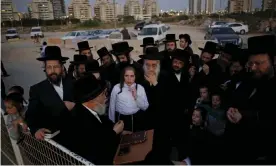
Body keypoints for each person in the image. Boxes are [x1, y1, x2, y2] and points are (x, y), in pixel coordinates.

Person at [225, 35, 276, 164]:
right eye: (250, 63)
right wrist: (230, 109)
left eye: (258, 63)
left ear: (273, 61)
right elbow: (233, 99)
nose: (253, 68)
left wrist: (244, 116)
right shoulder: (251, 79)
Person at [59, 75, 124, 165]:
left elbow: (105, 128)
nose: (106, 97)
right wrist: (114, 132)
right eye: (103, 94)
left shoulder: (94, 110)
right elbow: (96, 148)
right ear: (91, 100)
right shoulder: (78, 120)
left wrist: (121, 133)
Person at [25, 46, 75, 140]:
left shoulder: (73, 84)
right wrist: (35, 129)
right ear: (45, 69)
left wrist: (75, 106)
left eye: (56, 67)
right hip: (55, 143)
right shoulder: (37, 90)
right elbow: (31, 115)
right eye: (49, 67)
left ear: (62, 67)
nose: (52, 71)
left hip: (76, 137)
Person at [109, 66, 149, 132]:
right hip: (121, 120)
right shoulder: (117, 88)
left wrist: (136, 96)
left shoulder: (140, 88)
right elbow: (112, 106)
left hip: (137, 119)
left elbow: (145, 107)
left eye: (132, 76)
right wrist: (112, 122)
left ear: (135, 77)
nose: (129, 79)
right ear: (123, 76)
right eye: (126, 76)